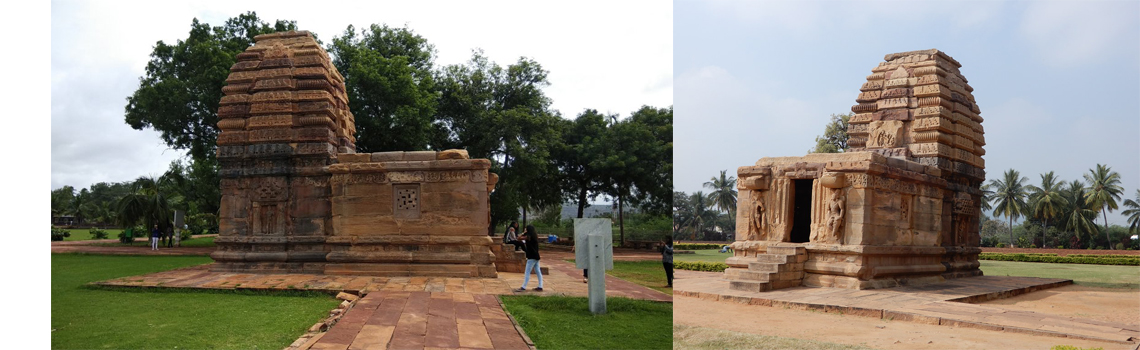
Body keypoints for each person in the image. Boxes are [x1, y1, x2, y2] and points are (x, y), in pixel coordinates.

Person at [517, 225, 543, 292]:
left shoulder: (528, 237)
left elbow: (519, 238)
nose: (525, 230)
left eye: (526, 229)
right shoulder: (534, 236)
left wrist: (523, 233)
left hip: (532, 257)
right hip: (536, 256)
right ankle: (540, 286)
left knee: (527, 272)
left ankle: (523, 286)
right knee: (538, 271)